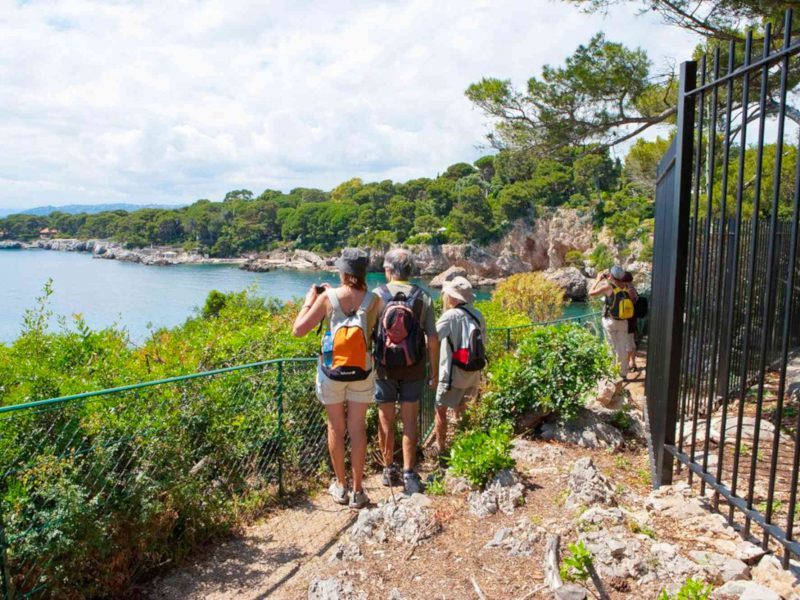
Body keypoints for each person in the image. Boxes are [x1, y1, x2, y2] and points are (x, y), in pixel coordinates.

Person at [292, 248, 380, 509]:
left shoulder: (328, 298)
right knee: (357, 428)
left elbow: (298, 330)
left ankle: (340, 487)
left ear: (344, 272)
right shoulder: (374, 300)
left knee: (335, 428)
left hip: (332, 372)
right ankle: (358, 491)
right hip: (362, 371)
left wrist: (310, 300)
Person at [373, 249, 439, 494]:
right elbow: (432, 338)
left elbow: (368, 333)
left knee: (385, 419)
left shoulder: (376, 296)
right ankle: (410, 474)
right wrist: (434, 370)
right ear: (411, 271)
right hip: (415, 366)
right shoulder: (424, 297)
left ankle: (389, 469)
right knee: (410, 421)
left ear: (389, 271)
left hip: (383, 367)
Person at [434, 276, 486, 460]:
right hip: (472, 373)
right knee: (462, 407)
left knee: (440, 410)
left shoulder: (450, 316)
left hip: (451, 374)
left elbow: (432, 338)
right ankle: (464, 444)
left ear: (453, 298)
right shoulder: (478, 315)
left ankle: (441, 449)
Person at [589, 264, 638, 380]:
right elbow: (633, 299)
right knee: (622, 348)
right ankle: (623, 374)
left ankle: (611, 374)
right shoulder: (628, 288)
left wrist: (597, 280)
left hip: (610, 321)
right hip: (624, 322)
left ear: (611, 276)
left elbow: (591, 293)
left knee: (611, 347)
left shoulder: (608, 287)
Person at [622, 270, 639, 373]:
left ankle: (627, 365)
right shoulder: (632, 288)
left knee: (628, 343)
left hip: (628, 319)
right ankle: (633, 363)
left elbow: (630, 302)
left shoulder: (628, 289)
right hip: (632, 318)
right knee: (631, 342)